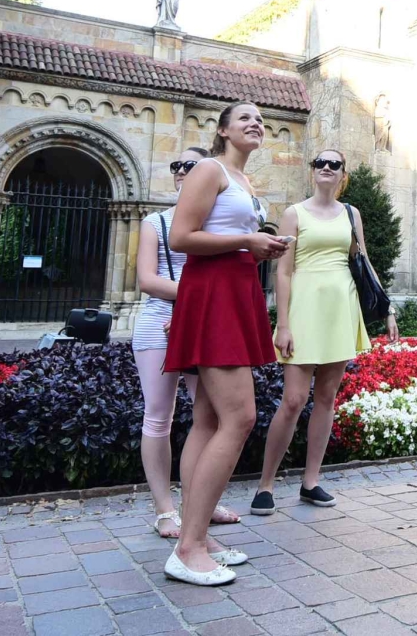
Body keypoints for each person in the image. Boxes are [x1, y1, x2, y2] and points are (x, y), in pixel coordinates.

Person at [163, 102, 288, 586]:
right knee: (240, 417)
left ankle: (199, 535)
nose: (255, 123)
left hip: (236, 293)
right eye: (244, 118)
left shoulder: (245, 182)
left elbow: (231, 236)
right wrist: (247, 243)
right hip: (213, 294)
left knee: (210, 420)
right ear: (222, 130)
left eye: (260, 119)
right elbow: (180, 236)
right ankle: (188, 546)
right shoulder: (208, 169)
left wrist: (260, 245)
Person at [251, 150, 399, 514]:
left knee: (327, 398)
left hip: (340, 309)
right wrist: (282, 323)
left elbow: (363, 261)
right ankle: (266, 484)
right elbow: (282, 272)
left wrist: (388, 308)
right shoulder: (294, 214)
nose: (327, 168)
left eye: (334, 164)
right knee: (293, 399)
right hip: (304, 309)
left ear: (342, 174)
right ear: (312, 171)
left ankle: (311, 481)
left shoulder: (351, 213)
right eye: (321, 163)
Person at [132, 145, 240, 539]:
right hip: (159, 321)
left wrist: (198, 306)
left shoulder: (219, 225)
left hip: (201, 323)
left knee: (208, 418)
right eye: (176, 165)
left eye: (190, 165)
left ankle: (200, 504)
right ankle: (165, 510)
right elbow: (147, 280)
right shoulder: (155, 222)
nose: (181, 171)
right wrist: (193, 298)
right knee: (158, 416)